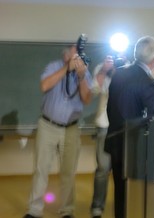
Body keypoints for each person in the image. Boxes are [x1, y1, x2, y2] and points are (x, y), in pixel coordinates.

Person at [23, 44, 93, 218]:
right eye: (75, 54)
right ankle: (34, 210)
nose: (78, 58)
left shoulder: (84, 72)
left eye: (80, 55)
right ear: (66, 55)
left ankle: (67, 211)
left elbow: (86, 99)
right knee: (41, 170)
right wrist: (66, 69)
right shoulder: (53, 66)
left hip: (71, 128)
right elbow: (45, 86)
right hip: (48, 125)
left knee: (68, 172)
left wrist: (82, 76)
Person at [104, 35, 154, 218]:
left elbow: (109, 107)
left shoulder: (118, 73)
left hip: (115, 141)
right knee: (140, 195)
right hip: (138, 149)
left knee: (120, 192)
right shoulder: (150, 83)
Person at [90, 55, 129, 218]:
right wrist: (106, 71)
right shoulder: (102, 68)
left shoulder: (130, 70)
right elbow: (94, 89)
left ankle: (123, 206)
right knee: (103, 169)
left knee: (124, 171)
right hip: (104, 124)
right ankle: (97, 206)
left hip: (124, 126)